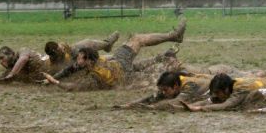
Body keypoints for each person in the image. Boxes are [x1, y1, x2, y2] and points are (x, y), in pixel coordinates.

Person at [43, 20, 186, 91]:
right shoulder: (92, 64)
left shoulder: (95, 75)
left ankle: (169, 48)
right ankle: (169, 45)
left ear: (87, 61)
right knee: (137, 44)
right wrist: (53, 79)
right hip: (121, 65)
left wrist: (54, 81)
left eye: (79, 57)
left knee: (140, 66)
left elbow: (73, 86)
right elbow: (68, 70)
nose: (77, 60)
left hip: (122, 69)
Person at [0, 32, 121, 84]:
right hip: (57, 72)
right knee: (100, 62)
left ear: (11, 54)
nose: (2, 63)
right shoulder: (12, 73)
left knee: (82, 46)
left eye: (3, 58)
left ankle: (107, 44)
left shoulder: (22, 52)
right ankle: (117, 58)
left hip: (57, 60)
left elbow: (22, 60)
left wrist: (11, 75)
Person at [115, 71, 211, 110]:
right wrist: (128, 105)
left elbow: (177, 102)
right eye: (162, 90)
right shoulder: (174, 84)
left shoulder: (190, 85)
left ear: (176, 86)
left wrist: (152, 107)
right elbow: (152, 98)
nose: (163, 93)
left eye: (165, 90)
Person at [44, 31, 120, 74]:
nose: (61, 48)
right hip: (77, 64)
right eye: (59, 49)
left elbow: (69, 48)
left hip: (77, 54)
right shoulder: (54, 63)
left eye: (60, 47)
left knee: (88, 42)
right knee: (103, 59)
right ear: (55, 53)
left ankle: (107, 44)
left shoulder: (63, 47)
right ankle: (115, 56)